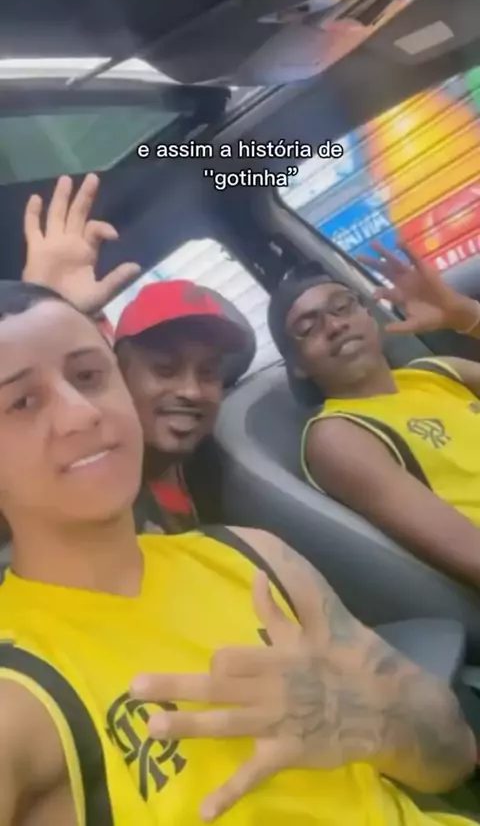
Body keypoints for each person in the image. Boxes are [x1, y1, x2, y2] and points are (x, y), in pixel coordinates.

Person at [0, 278, 475, 826]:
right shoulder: (21, 693)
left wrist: (371, 721)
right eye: (22, 401)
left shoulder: (251, 555)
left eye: (87, 376)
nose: (81, 413)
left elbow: (454, 752)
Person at [22, 174, 251, 532]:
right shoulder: (79, 481)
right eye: (165, 369)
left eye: (207, 373)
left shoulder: (215, 465)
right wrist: (38, 325)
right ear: (119, 376)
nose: (191, 391)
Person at [267, 244, 480, 590]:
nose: (334, 325)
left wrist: (464, 315)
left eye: (342, 306)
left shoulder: (436, 372)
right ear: (298, 367)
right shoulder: (339, 434)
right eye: (308, 327)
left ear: (370, 316)